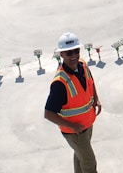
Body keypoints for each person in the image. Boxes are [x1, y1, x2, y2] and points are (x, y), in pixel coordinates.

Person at [43, 32, 103, 173]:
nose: (74, 55)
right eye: (69, 53)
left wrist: (96, 98)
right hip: (75, 132)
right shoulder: (60, 83)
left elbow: (90, 79)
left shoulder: (82, 64)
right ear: (61, 55)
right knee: (89, 164)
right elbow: (48, 113)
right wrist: (73, 126)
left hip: (87, 125)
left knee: (80, 157)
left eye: (76, 51)